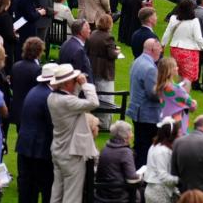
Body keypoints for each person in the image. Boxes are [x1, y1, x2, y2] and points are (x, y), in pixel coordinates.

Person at [47, 64, 100, 203]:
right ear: (66, 83)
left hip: (58, 150)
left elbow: (72, 98)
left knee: (57, 192)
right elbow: (94, 103)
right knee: (72, 196)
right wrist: (85, 85)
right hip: (71, 155)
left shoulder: (52, 97)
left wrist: (75, 86)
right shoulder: (68, 101)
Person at [16, 63, 57, 203]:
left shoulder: (35, 90)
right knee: (46, 187)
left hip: (25, 145)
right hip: (39, 148)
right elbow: (53, 124)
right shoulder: (49, 96)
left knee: (27, 189)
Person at [128, 37, 162, 167]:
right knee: (145, 150)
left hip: (137, 111)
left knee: (139, 146)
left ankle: (135, 176)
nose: (161, 51)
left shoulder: (138, 61)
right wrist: (168, 93)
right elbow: (153, 94)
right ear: (153, 49)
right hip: (147, 115)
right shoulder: (150, 68)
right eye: (159, 48)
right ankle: (140, 180)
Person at [87, 13, 120, 129]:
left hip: (92, 68)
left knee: (95, 95)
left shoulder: (92, 34)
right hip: (104, 70)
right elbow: (111, 54)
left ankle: (94, 120)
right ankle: (104, 124)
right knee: (106, 98)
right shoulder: (108, 37)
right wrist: (117, 52)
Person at [95, 120, 142, 203]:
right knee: (142, 191)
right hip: (118, 196)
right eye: (131, 132)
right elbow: (132, 179)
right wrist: (141, 177)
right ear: (125, 136)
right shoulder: (125, 152)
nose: (132, 135)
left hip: (102, 194)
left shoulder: (105, 149)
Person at [143, 117, 180, 203]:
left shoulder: (154, 146)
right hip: (159, 193)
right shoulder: (163, 151)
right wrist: (180, 180)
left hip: (153, 190)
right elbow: (163, 176)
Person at [157, 56, 197, 132]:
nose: (177, 68)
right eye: (175, 66)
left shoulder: (159, 86)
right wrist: (194, 102)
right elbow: (192, 106)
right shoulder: (177, 89)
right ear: (170, 70)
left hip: (164, 123)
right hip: (178, 126)